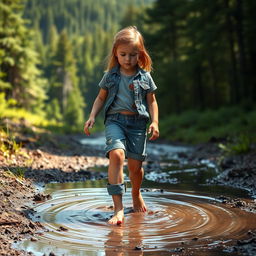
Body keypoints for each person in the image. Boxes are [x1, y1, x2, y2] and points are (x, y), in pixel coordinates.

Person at [84, 26, 159, 225]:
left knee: (135, 168)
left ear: (140, 54)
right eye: (123, 54)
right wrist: (92, 116)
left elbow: (151, 101)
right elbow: (100, 98)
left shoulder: (145, 77)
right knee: (116, 155)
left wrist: (155, 121)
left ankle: (135, 193)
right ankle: (118, 209)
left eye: (133, 55)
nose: (127, 59)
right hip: (115, 121)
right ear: (116, 54)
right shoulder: (110, 76)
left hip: (137, 125)